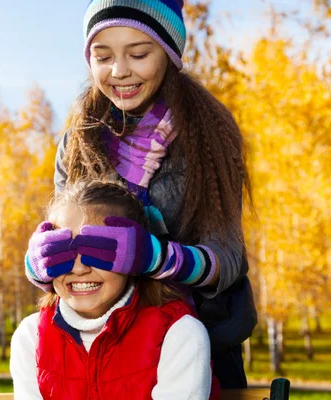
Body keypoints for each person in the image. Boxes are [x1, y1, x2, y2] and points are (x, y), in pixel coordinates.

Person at [24, 0, 257, 389]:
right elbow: (66, 243)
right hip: (108, 344)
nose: (119, 71)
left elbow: (229, 259)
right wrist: (41, 262)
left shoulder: (208, 134)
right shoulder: (78, 141)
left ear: (168, 53)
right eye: (103, 56)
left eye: (138, 53)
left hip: (197, 341)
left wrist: (153, 257)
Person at [12, 180, 219, 400]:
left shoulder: (180, 334)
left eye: (98, 251)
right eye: (62, 252)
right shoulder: (31, 336)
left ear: (133, 259)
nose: (80, 268)